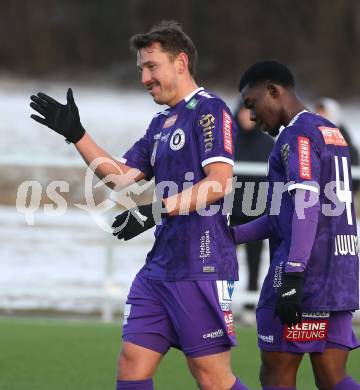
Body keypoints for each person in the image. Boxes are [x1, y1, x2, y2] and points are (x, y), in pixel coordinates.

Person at [30, 21, 248, 390]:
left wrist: (155, 209)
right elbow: (120, 177)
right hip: (160, 268)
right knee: (132, 367)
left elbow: (218, 183)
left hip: (201, 265)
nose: (144, 78)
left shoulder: (210, 110)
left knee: (212, 379)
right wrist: (77, 135)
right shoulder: (161, 123)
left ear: (181, 62)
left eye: (152, 67)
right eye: (141, 70)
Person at [231, 60, 360, 389]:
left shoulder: (297, 135)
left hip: (302, 278)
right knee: (334, 379)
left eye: (252, 104)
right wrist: (226, 235)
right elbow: (282, 218)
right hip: (339, 277)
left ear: (274, 92)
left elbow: (306, 205)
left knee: (275, 376)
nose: (252, 116)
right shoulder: (331, 132)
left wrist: (293, 274)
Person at [230, 104, 274, 323]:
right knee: (223, 259)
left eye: (251, 113)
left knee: (255, 261)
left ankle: (250, 307)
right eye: (243, 112)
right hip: (229, 212)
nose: (246, 117)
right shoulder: (226, 142)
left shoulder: (268, 143)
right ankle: (219, 303)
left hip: (257, 214)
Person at [315, 97, 360, 193]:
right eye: (318, 112)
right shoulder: (313, 134)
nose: (320, 115)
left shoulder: (344, 139)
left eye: (324, 112)